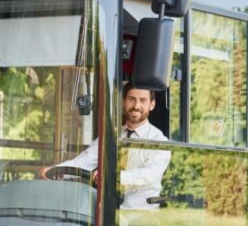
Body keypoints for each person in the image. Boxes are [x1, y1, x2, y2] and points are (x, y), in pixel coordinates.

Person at [41, 83, 171, 210]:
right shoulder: (112, 135)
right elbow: (85, 161)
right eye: (132, 99)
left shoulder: (159, 141)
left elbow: (147, 174)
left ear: (152, 105)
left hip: (140, 215)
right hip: (107, 213)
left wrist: (111, 177)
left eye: (143, 100)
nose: (136, 106)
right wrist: (57, 170)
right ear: (123, 102)